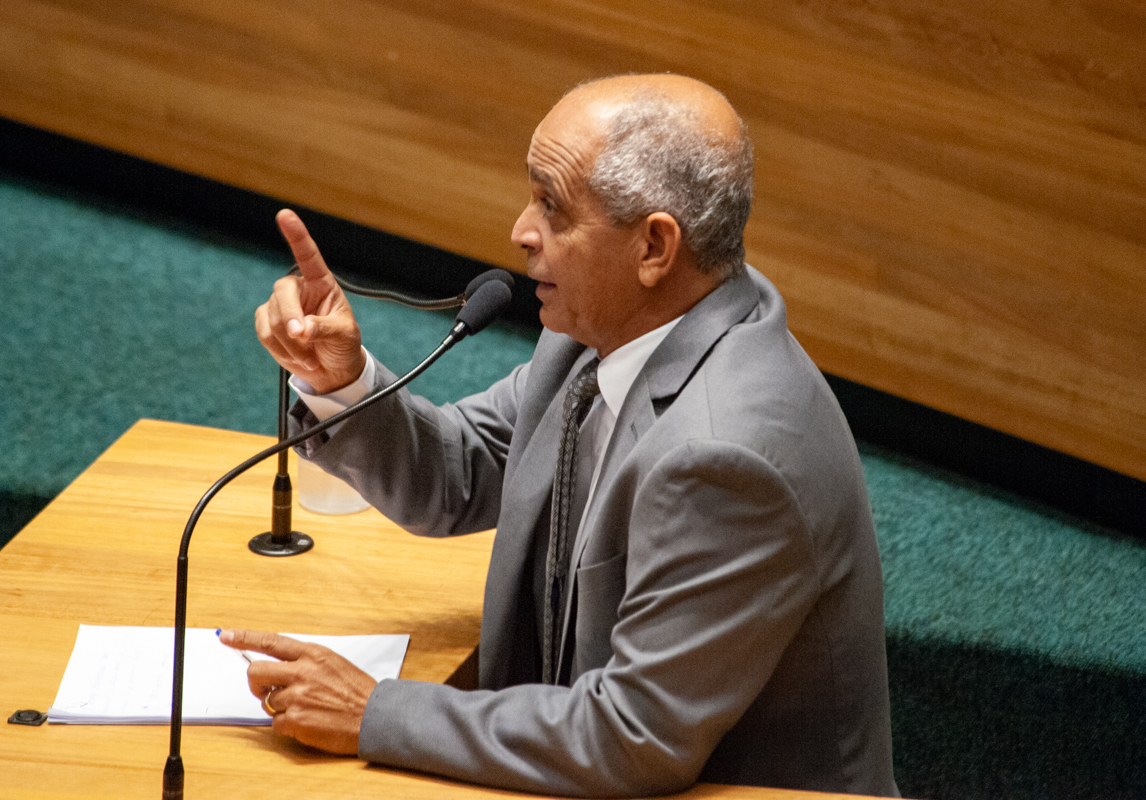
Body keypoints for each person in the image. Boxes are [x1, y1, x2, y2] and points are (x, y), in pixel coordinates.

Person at [222, 74, 899, 797]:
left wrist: (372, 712)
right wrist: (341, 380)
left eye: (552, 206)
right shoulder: (612, 329)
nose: (521, 230)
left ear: (654, 247)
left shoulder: (723, 458)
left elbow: (630, 738)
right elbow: (460, 471)